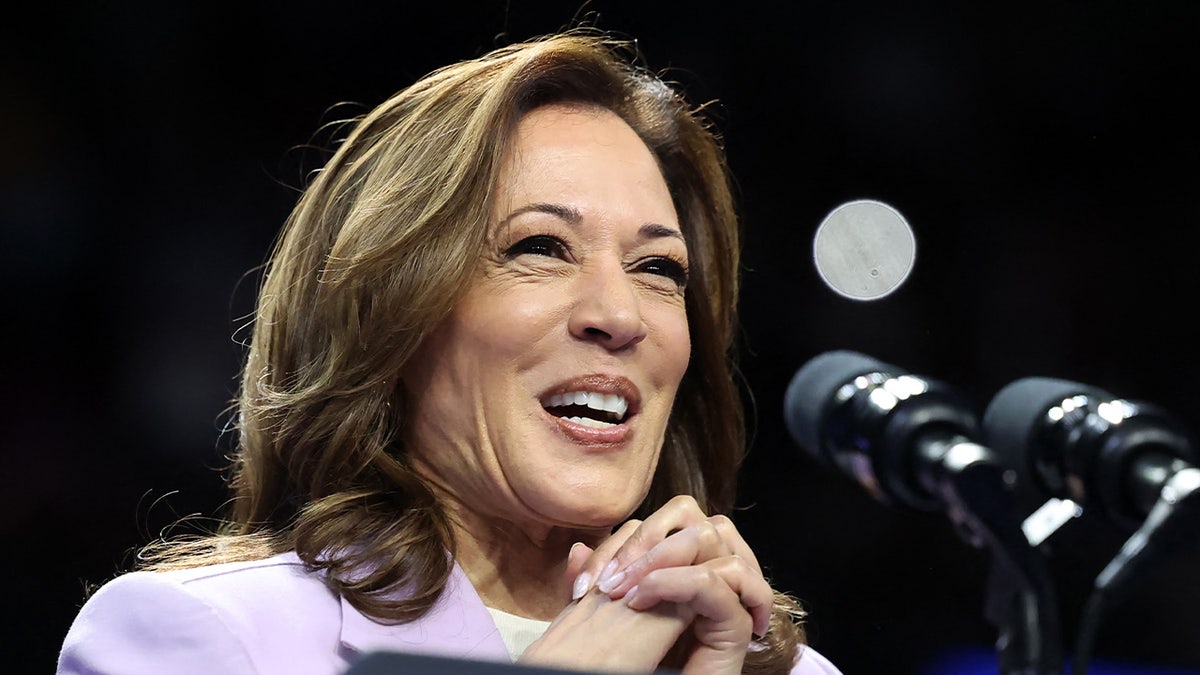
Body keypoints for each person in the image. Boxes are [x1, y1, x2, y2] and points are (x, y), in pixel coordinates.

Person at [57, 30, 841, 675]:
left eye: (658, 268)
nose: (619, 314)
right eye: (541, 246)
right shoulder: (201, 639)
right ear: (392, 317)